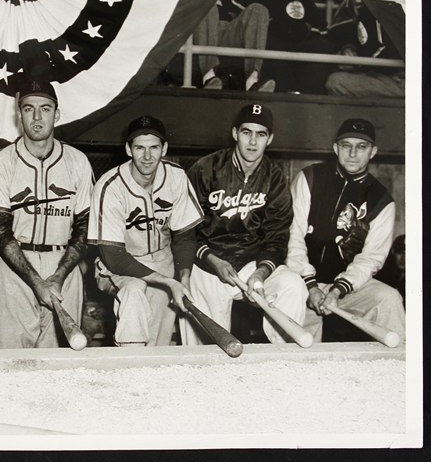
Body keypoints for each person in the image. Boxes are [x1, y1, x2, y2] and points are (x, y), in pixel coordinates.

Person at [0, 79, 94, 348]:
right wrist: (36, 281)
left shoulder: (77, 161)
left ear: (57, 114)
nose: (37, 117)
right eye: (29, 109)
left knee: (60, 361)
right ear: (19, 116)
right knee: (11, 356)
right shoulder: (0, 162)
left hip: (63, 260)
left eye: (46, 108)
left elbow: (87, 226)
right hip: (13, 265)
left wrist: (59, 275)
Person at [181, 104, 307, 345]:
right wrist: (213, 260)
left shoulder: (275, 177)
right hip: (207, 265)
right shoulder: (205, 169)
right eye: (247, 132)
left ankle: (286, 363)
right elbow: (185, 231)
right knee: (207, 350)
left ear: (269, 139)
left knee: (293, 285)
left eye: (261, 134)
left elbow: (277, 237)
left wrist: (261, 272)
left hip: (250, 265)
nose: (252, 141)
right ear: (235, 133)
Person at [88, 116, 204, 346]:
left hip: (163, 258)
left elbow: (184, 236)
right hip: (119, 265)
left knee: (158, 342)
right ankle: (129, 364)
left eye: (154, 147)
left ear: (165, 148)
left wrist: (183, 277)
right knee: (134, 290)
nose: (148, 156)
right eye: (140, 147)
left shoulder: (176, 176)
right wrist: (169, 283)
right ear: (128, 150)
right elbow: (113, 256)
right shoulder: (109, 185)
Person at [286, 119, 405, 342]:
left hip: (345, 288)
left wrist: (337, 291)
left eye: (361, 146)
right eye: (346, 145)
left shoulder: (381, 200)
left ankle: (400, 368)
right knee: (301, 348)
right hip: (300, 283)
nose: (352, 153)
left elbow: (370, 259)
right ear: (335, 148)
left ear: (373, 151)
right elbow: (293, 237)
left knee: (388, 298)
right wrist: (310, 285)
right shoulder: (310, 178)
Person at [230, 0, 336, 93]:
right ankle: (289, 91)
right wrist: (293, 28)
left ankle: (309, 96)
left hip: (297, 42)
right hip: (275, 42)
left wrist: (305, 29)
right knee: (268, 41)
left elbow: (321, 27)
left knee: (324, 46)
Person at [183, 0, 272, 92]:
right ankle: (210, 78)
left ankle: (253, 80)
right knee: (208, 6)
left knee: (258, 9)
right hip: (200, 33)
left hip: (227, 30)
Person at [324, 0, 404, 98]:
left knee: (335, 82)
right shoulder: (366, 9)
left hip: (397, 78)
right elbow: (362, 39)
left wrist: (358, 65)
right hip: (381, 74)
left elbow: (390, 51)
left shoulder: (387, 8)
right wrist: (349, 47)